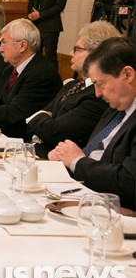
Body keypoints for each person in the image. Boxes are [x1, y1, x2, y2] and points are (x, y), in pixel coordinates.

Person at [49, 37, 136, 210]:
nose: (97, 94)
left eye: (100, 84)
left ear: (127, 74)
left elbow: (129, 182)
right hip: (85, 194)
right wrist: (64, 160)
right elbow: (95, 156)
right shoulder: (116, 107)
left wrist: (76, 161)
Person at [26, 21, 119, 157]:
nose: (71, 53)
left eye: (77, 49)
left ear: (96, 54)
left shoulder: (99, 95)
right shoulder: (72, 84)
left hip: (56, 160)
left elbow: (54, 132)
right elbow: (39, 119)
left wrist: (42, 118)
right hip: (38, 151)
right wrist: (43, 118)